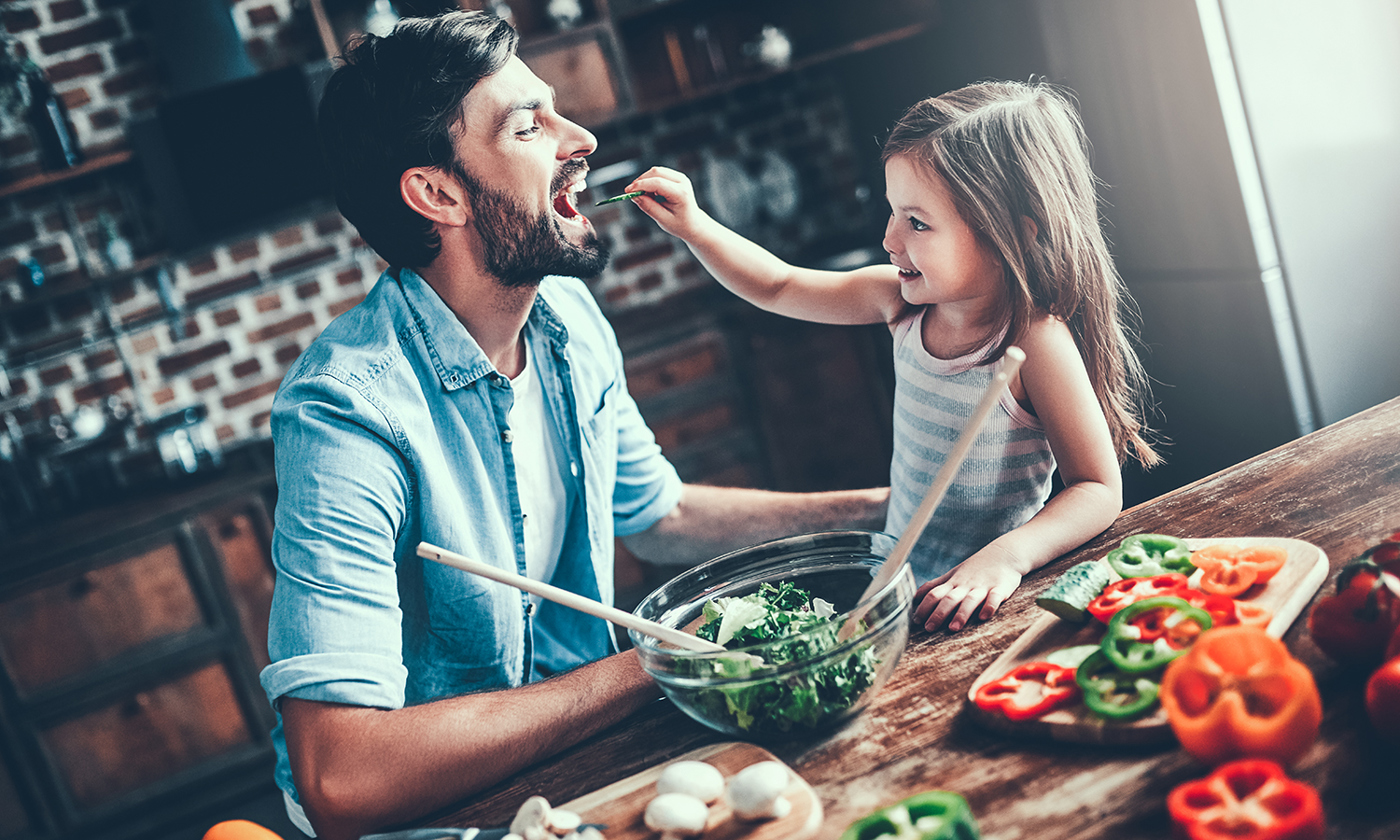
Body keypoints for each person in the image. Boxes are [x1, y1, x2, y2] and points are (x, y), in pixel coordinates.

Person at [261, 12, 887, 840]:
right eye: (529, 125)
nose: (580, 137)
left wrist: (888, 510)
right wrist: (657, 659)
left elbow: (657, 514)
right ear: (437, 193)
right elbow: (344, 775)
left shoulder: (565, 315)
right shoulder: (347, 414)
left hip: (561, 770)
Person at [624, 80, 1161, 636]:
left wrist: (1007, 558)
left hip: (988, 606)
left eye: (917, 222)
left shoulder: (1033, 341)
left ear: (1013, 238)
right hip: (899, 597)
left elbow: (1097, 489)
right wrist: (694, 226)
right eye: (892, 213)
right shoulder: (898, 303)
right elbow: (778, 286)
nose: (889, 238)